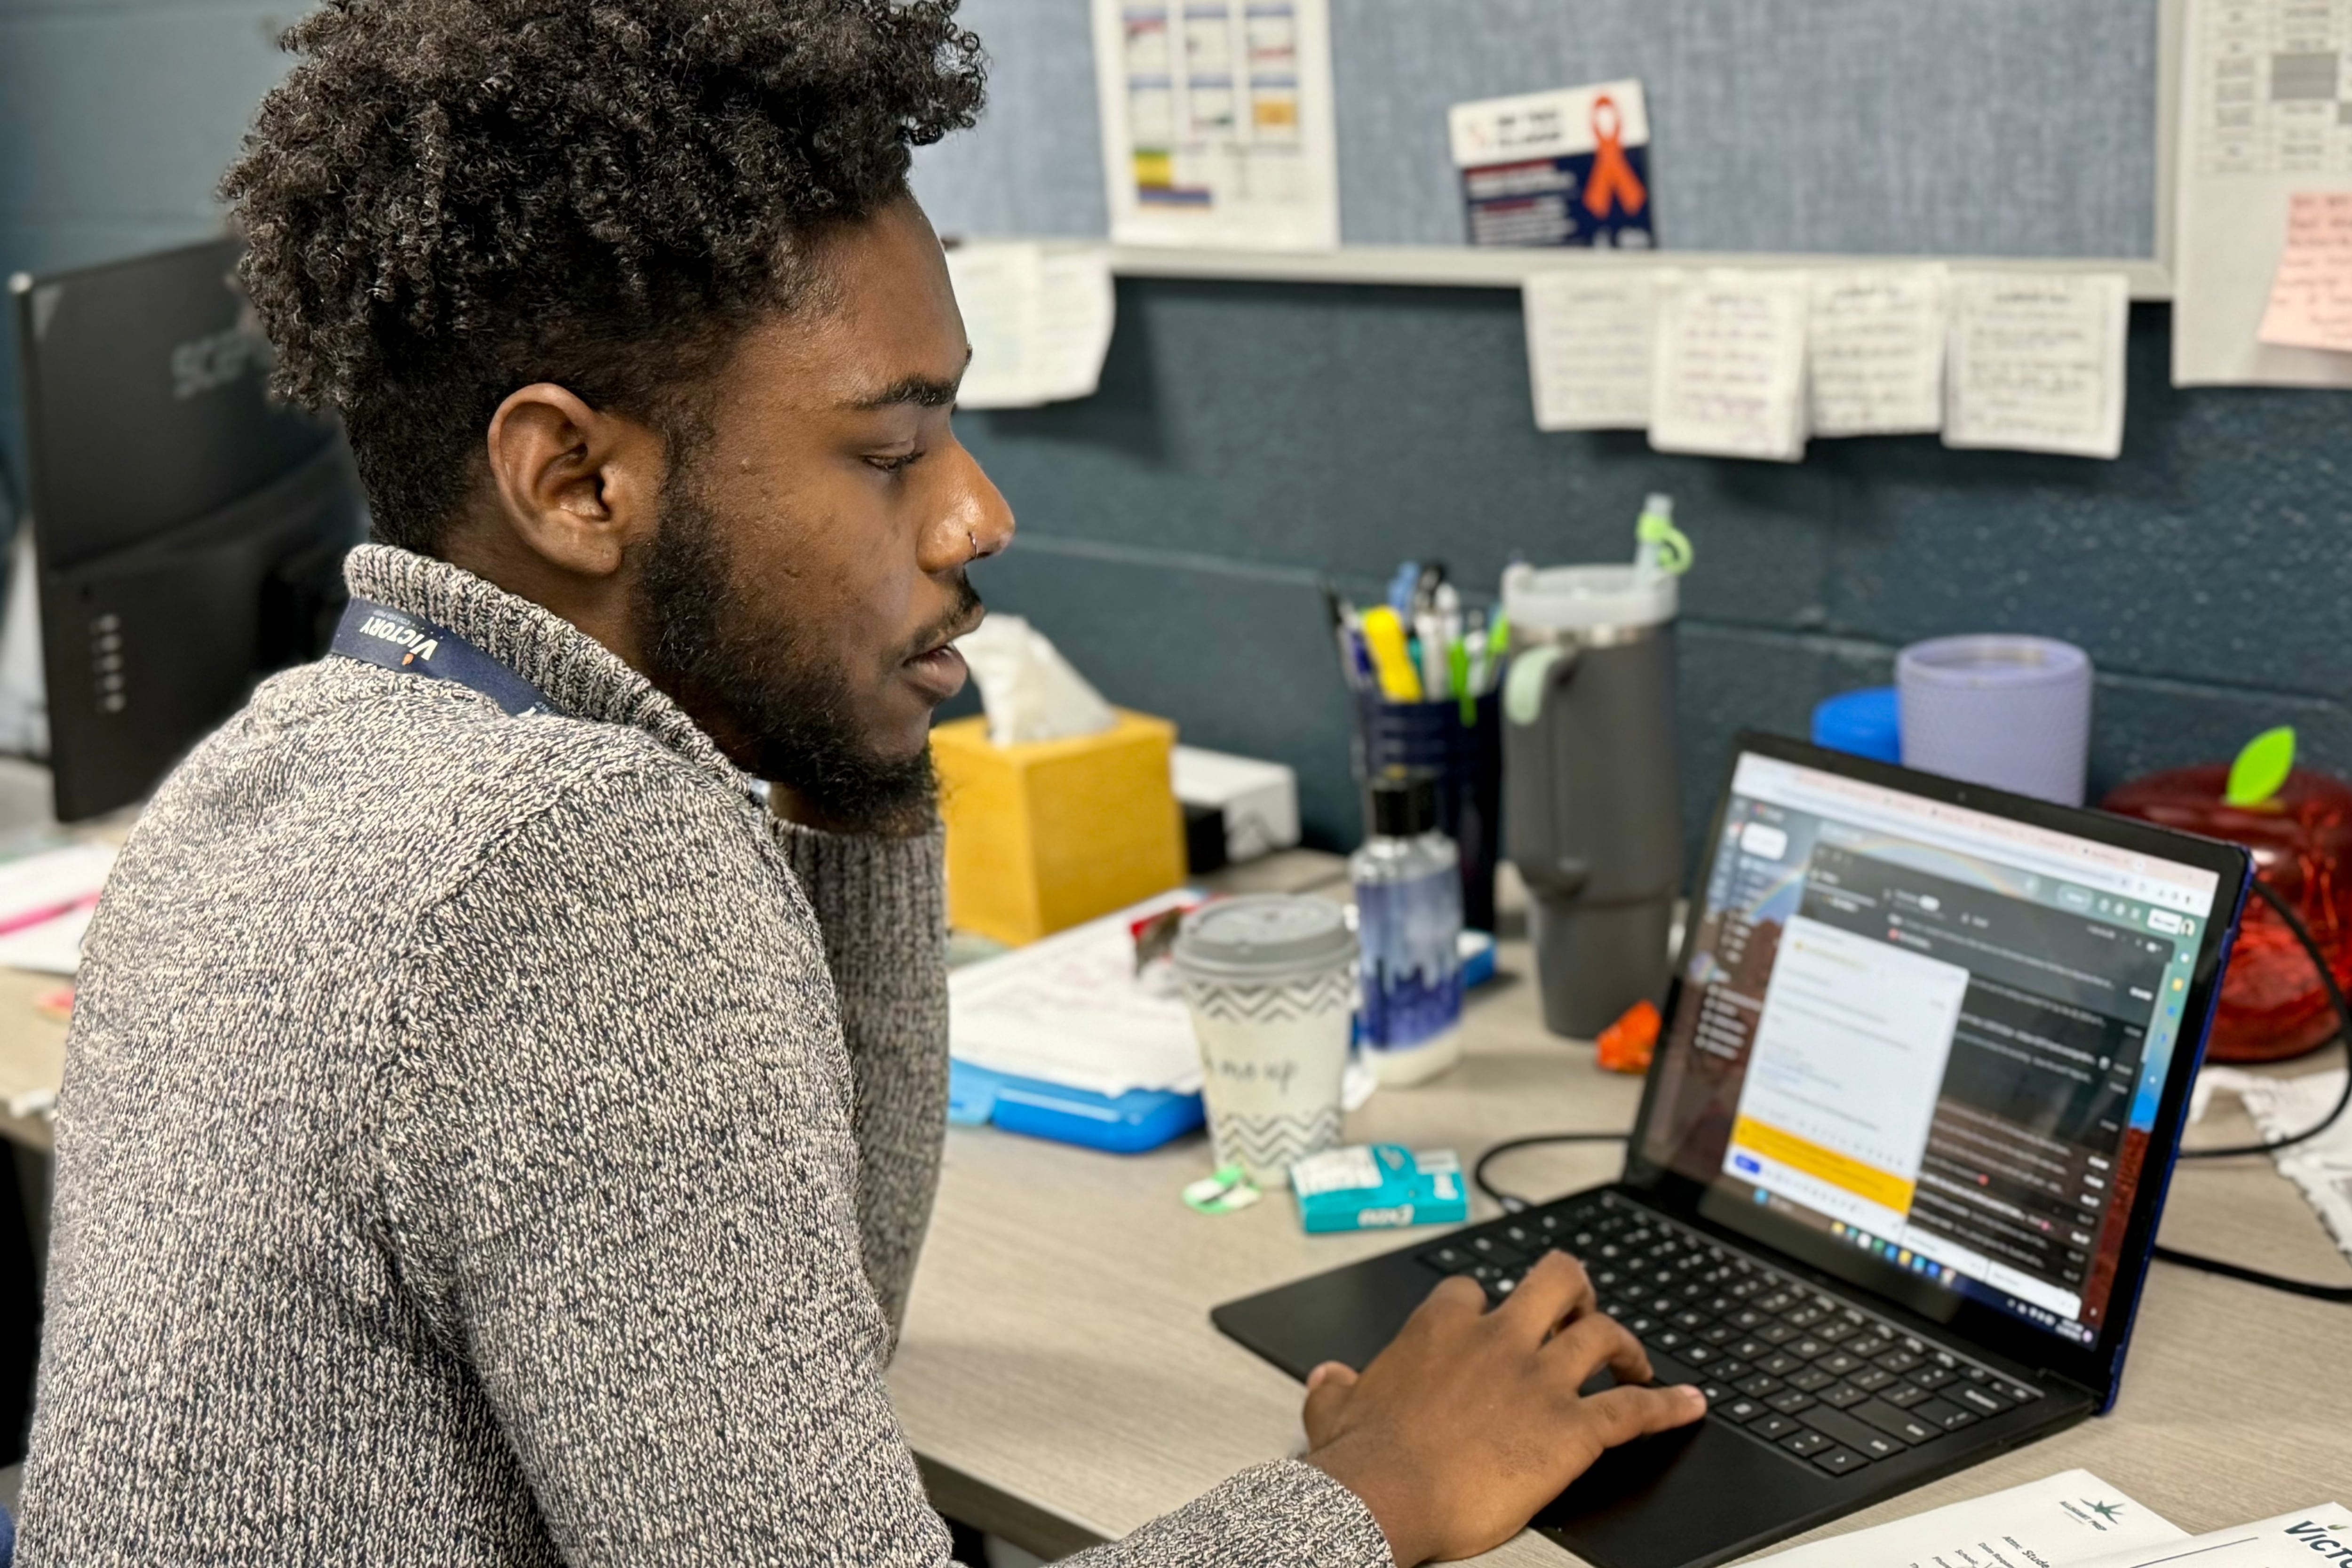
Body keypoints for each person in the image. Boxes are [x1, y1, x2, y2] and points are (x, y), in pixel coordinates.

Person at [14, 2, 1703, 1563]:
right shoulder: (569, 868)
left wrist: (860, 777)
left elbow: (810, 1337)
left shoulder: (269, 774)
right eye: (890, 450)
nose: (976, 517)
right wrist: (1372, 1493)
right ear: (574, 479)